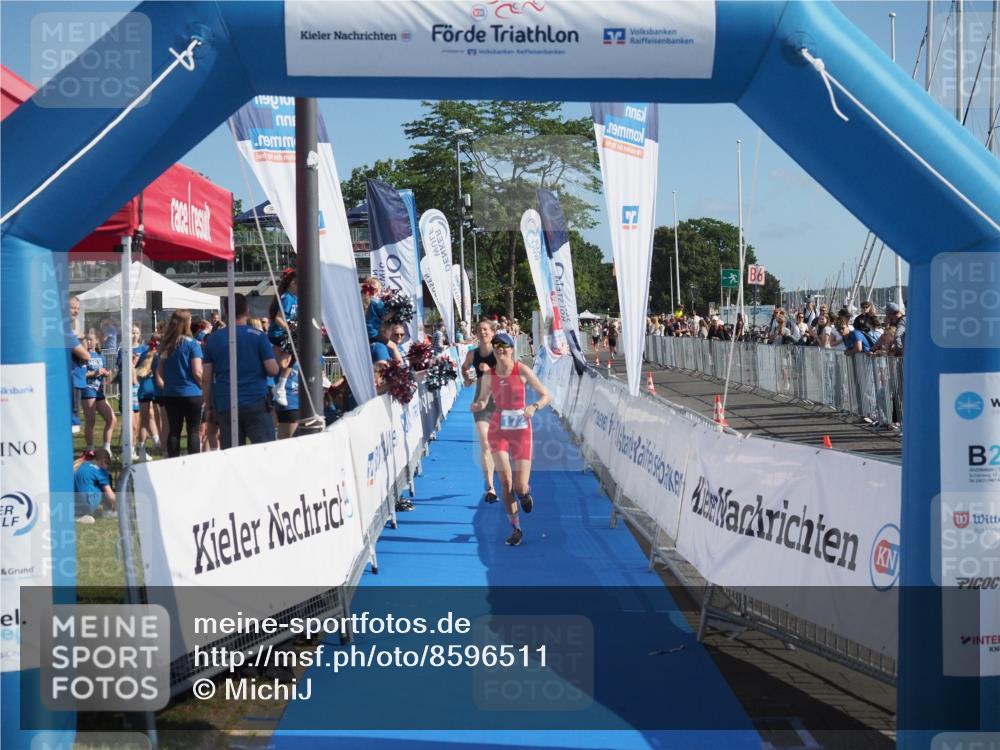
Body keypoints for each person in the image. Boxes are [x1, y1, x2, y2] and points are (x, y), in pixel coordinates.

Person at [470, 332, 551, 547]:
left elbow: (545, 395)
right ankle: (515, 528)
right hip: (499, 429)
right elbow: (483, 400)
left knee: (520, 486)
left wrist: (533, 407)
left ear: (512, 349)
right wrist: (478, 405)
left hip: (522, 430)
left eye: (504, 346)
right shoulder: (490, 375)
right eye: (496, 346)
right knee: (505, 482)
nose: (500, 349)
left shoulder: (522, 370)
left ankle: (525, 495)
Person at [202, 293, 279, 449]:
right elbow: (272, 369)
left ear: (225, 311)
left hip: (225, 402)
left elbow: (206, 378)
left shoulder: (213, 339)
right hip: (255, 400)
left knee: (232, 454)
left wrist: (209, 406)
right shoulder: (258, 336)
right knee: (265, 451)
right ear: (247, 311)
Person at [155, 310, 203, 457]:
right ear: (187, 323)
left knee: (174, 430)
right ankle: (193, 461)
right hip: (192, 392)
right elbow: (197, 371)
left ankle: (173, 460)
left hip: (171, 393)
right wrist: (204, 386)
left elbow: (160, 371)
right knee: (193, 430)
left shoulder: (166, 345)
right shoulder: (193, 344)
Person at [463, 319, 498, 504]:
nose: (482, 332)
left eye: (485, 330)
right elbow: (464, 368)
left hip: (501, 401)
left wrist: (491, 369)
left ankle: (501, 473)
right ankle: (491, 486)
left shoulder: (500, 353)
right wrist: (467, 379)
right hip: (480, 402)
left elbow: (510, 372)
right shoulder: (472, 354)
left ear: (492, 332)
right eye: (479, 330)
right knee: (486, 442)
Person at [80, 332, 116, 455]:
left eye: (91, 340)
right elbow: (81, 375)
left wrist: (106, 373)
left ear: (96, 341)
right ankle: (90, 449)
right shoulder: (83, 356)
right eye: (87, 340)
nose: (89, 342)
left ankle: (107, 448)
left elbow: (106, 372)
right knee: (90, 421)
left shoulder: (101, 356)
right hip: (88, 389)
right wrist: (94, 373)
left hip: (99, 391)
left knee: (112, 419)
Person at [268, 269, 298, 407]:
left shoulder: (295, 298)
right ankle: (280, 386)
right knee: (286, 361)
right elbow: (278, 318)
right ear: (293, 283)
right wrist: (289, 328)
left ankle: (280, 386)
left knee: (286, 362)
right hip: (277, 334)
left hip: (284, 334)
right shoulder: (287, 298)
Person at [73, 448, 116, 524]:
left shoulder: (79, 466)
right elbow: (110, 496)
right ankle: (109, 511)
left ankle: (78, 516)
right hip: (88, 504)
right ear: (104, 461)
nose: (107, 468)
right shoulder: (100, 471)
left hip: (74, 504)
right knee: (105, 485)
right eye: (108, 464)